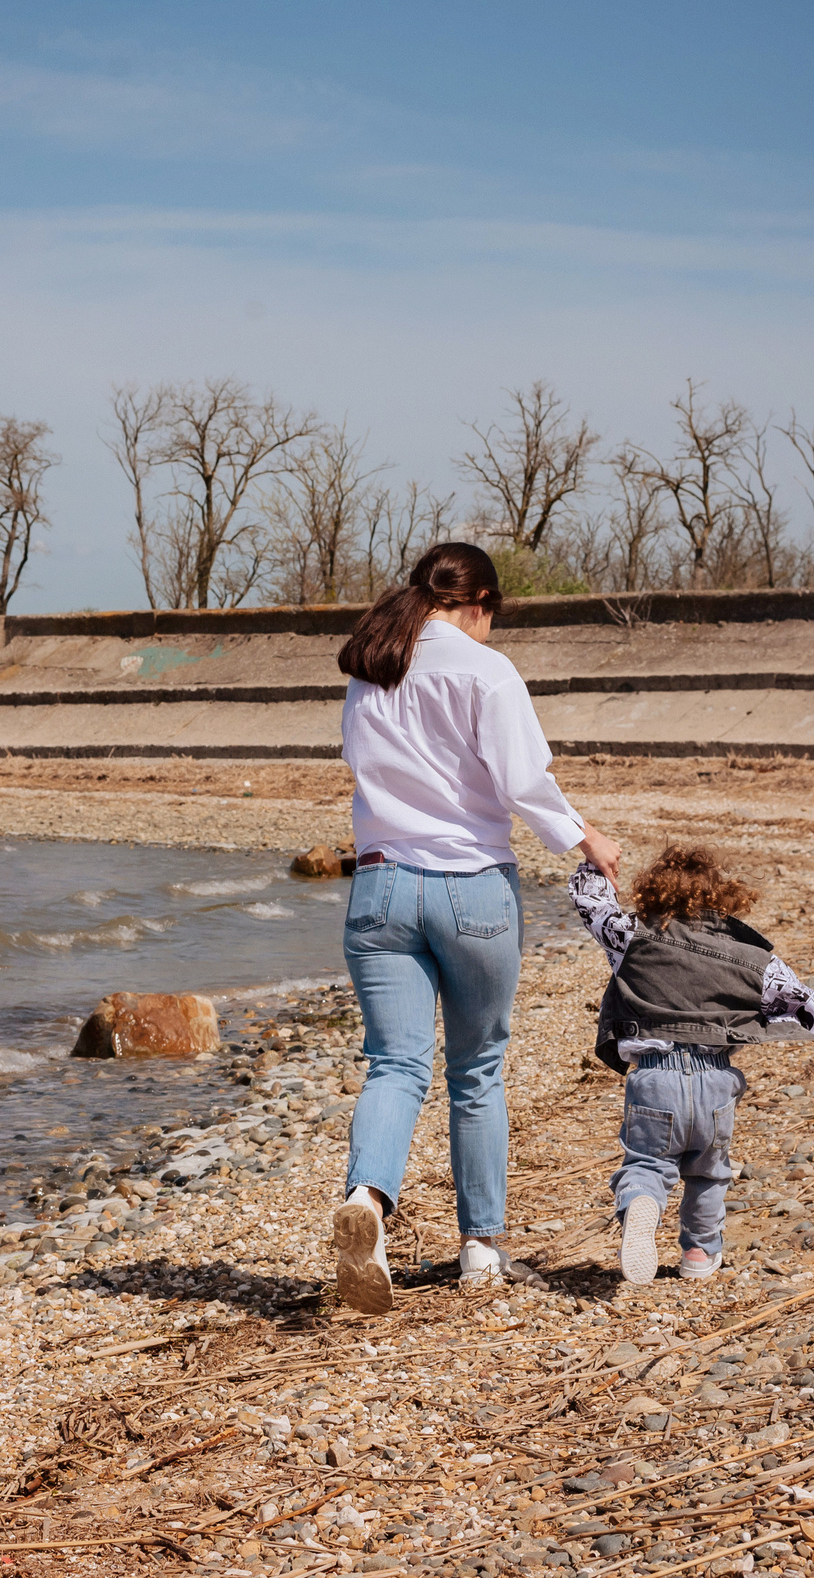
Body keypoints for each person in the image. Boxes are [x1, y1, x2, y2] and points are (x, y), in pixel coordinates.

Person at [328, 542, 623, 1315]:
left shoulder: (372, 668)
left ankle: (365, 1199)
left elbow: (362, 766)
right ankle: (481, 1250)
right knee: (477, 1070)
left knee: (395, 1064)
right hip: (471, 890)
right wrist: (587, 838)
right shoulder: (486, 671)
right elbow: (523, 781)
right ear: (480, 603)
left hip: (380, 885)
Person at [570, 843, 814, 1284]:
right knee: (709, 1173)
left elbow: (591, 905)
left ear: (652, 894)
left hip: (655, 1076)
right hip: (715, 1080)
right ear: (722, 899)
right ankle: (698, 1253)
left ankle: (642, 1202)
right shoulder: (752, 960)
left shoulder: (631, 936)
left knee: (648, 1163)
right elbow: (805, 1002)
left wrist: (595, 861)